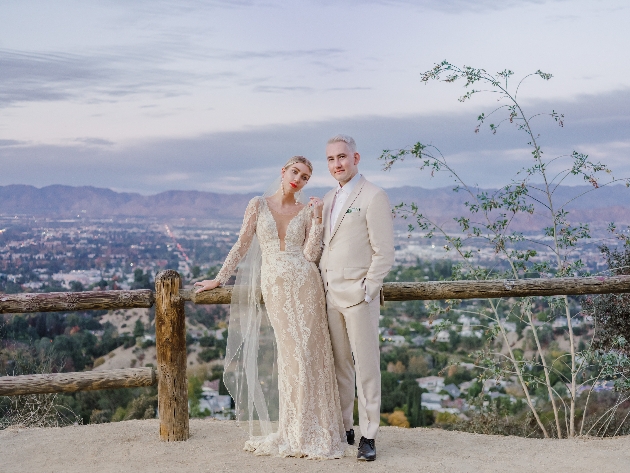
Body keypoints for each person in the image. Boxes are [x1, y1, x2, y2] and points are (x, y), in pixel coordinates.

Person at [194, 156, 348, 459]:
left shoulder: (306, 211)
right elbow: (242, 244)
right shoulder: (258, 204)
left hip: (306, 284)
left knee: (310, 353)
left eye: (305, 177)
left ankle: (313, 430)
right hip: (274, 286)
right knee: (291, 355)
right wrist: (219, 278)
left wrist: (317, 220)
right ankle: (292, 430)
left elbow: (310, 255)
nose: (298, 179)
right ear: (283, 172)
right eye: (295, 172)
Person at [319, 135, 395, 462]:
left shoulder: (374, 196)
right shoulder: (327, 198)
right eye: (331, 159)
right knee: (339, 365)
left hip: (358, 296)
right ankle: (345, 426)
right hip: (330, 293)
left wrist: (368, 288)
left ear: (356, 157)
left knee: (366, 367)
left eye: (342, 157)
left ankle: (369, 434)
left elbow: (385, 252)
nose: (337, 164)